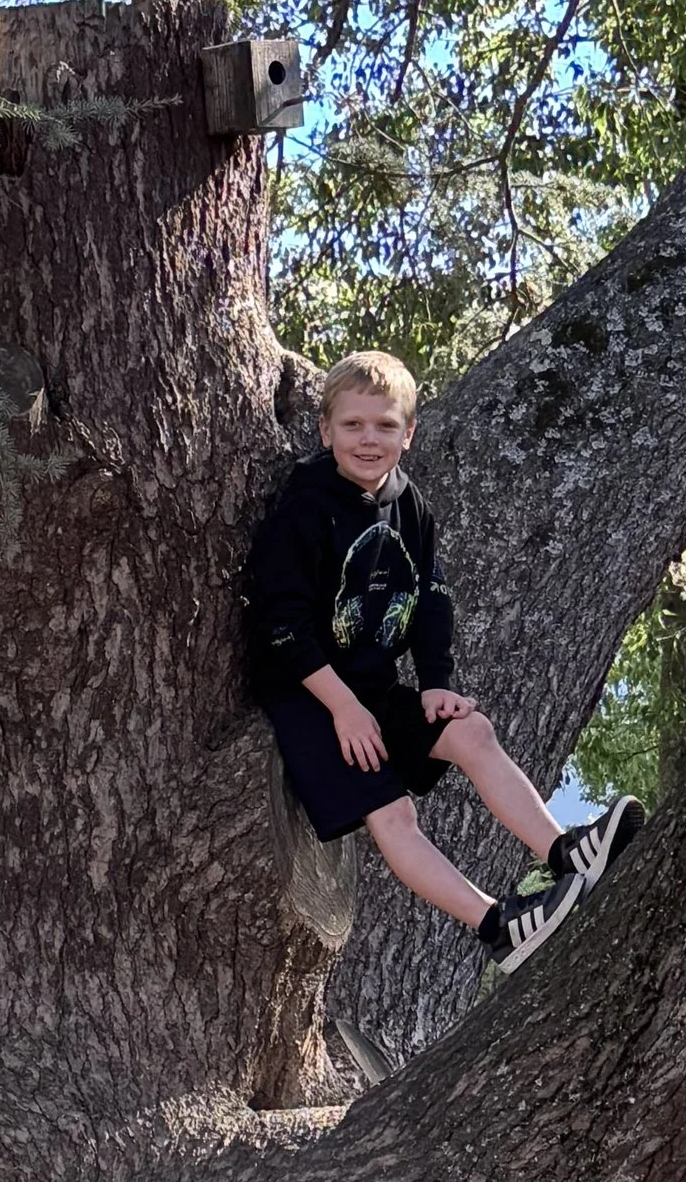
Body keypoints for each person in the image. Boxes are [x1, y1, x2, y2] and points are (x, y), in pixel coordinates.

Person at [241, 349, 641, 974]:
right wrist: (344, 709)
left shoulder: (410, 505)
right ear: (326, 431)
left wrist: (434, 684)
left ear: (409, 432)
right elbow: (280, 623)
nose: (368, 439)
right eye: (353, 425)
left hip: (374, 688)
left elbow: (430, 599)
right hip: (310, 697)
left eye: (385, 425)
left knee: (470, 731)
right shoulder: (306, 506)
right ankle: (498, 926)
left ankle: (564, 853)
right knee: (394, 812)